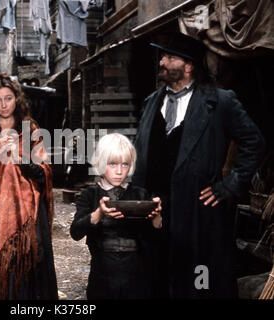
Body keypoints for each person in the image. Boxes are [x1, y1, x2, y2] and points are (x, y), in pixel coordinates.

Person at [133, 33, 265, 298]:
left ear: (189, 65)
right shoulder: (151, 103)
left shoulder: (219, 102)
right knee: (157, 279)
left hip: (197, 213)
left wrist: (228, 186)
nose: (162, 62)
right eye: (162, 56)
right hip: (155, 211)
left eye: (169, 57)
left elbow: (255, 143)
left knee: (198, 281)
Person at [0, 73, 58, 300]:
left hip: (26, 212)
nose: (4, 105)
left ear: (17, 99)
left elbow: (44, 173)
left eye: (8, 98)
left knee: (26, 265)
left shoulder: (31, 128)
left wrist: (19, 157)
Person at [70, 133, 162, 299]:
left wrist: (156, 219)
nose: (119, 171)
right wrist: (98, 214)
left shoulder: (140, 194)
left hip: (137, 276)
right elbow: (75, 233)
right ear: (100, 162)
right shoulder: (90, 195)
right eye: (112, 164)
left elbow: (157, 241)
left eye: (125, 164)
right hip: (102, 274)